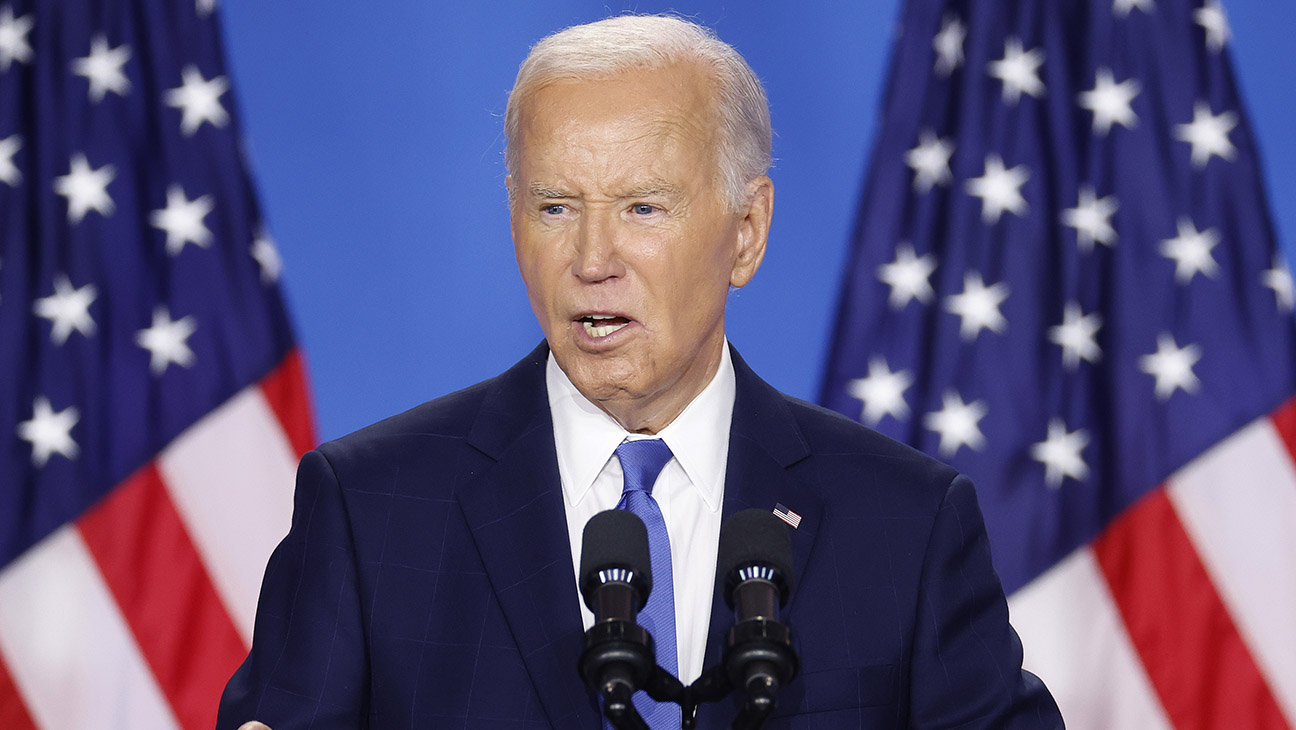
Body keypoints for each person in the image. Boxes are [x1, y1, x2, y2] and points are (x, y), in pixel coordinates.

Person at [216, 14, 1063, 730]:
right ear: (513, 222)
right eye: (556, 207)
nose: (591, 259)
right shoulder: (370, 513)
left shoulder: (905, 525)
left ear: (747, 231)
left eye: (642, 208)